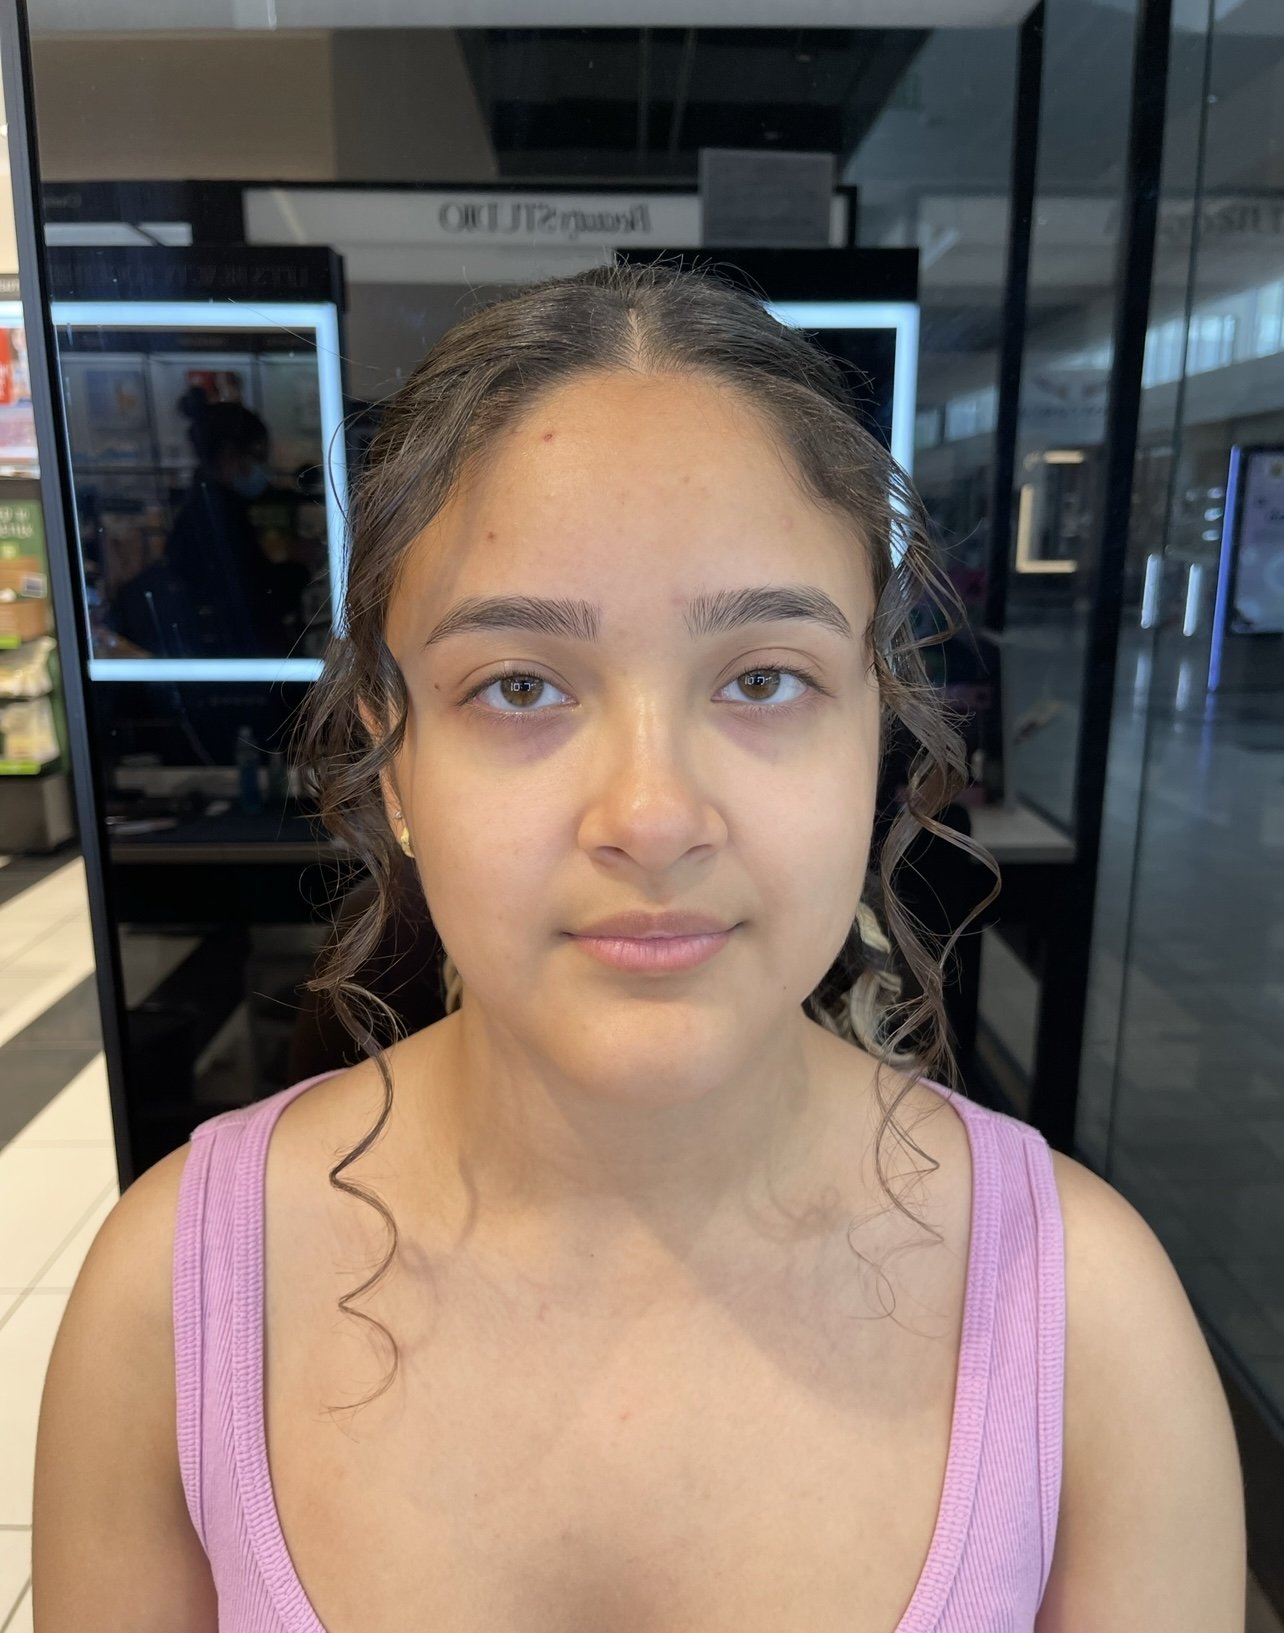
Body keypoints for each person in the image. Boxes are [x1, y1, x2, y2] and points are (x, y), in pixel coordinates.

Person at [32, 263, 1245, 1630]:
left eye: (764, 678)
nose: (655, 816)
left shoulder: (1091, 1322)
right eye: (521, 685)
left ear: (877, 733)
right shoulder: (172, 1305)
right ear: (391, 762)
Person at [111, 390, 307, 658]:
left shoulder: (208, 505)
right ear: (230, 455)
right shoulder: (217, 514)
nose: (265, 467)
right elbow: (252, 600)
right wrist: (300, 567)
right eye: (258, 455)